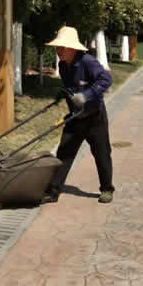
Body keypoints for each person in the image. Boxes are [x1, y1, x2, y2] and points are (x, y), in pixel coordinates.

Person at [43, 26, 115, 204]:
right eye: (57, 47)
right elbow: (70, 86)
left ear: (71, 48)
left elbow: (106, 79)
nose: (58, 51)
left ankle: (107, 189)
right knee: (64, 152)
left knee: (102, 153)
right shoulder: (63, 65)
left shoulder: (88, 61)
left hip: (95, 116)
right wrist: (63, 93)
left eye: (61, 47)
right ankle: (53, 191)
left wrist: (86, 95)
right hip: (76, 117)